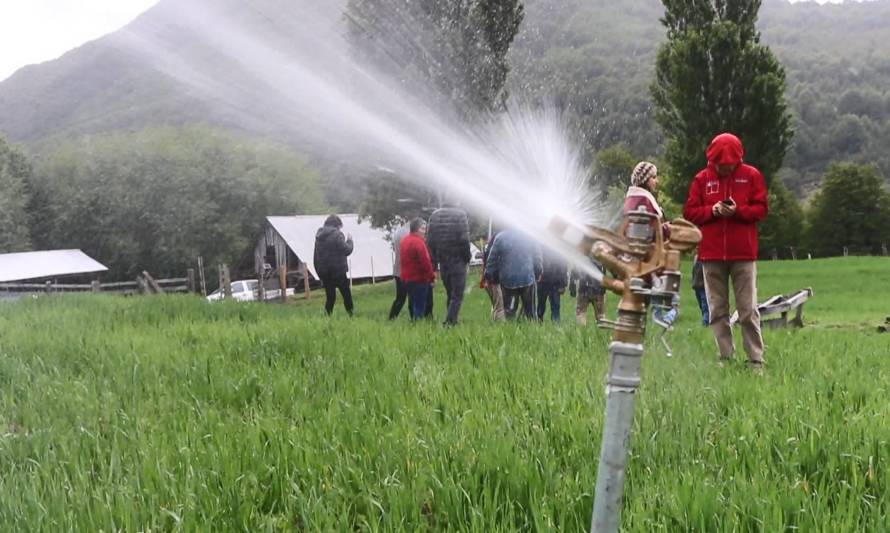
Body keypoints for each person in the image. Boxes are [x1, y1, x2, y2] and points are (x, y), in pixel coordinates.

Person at [683, 133, 768, 372]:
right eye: (721, 165)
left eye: (729, 165)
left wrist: (737, 212)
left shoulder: (751, 176)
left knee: (748, 308)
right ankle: (725, 357)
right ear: (713, 161)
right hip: (710, 255)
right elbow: (690, 212)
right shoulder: (701, 179)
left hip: (743, 254)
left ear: (738, 160)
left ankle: (755, 360)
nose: (725, 169)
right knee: (717, 309)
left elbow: (761, 209)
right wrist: (713, 211)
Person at [625, 161, 676, 328]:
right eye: (654, 177)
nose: (657, 181)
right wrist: (669, 228)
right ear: (646, 179)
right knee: (667, 300)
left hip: (635, 260)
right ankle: (662, 322)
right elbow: (655, 231)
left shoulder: (631, 199)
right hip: (651, 260)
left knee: (640, 301)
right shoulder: (645, 200)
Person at [426, 202, 471, 326]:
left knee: (450, 293)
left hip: (443, 261)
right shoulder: (460, 215)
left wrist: (434, 264)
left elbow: (430, 241)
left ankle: (452, 319)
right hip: (458, 260)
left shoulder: (434, 216)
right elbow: (464, 240)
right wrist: (467, 258)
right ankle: (450, 322)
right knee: (457, 294)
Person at [484, 229, 542, 320]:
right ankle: (532, 330)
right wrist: (538, 273)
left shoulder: (500, 237)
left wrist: (488, 275)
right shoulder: (530, 236)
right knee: (530, 312)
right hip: (527, 279)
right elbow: (537, 257)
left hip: (508, 280)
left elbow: (492, 259)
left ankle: (510, 332)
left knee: (510, 311)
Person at [313, 214, 354, 316]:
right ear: (337, 225)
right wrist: (350, 240)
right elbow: (347, 250)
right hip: (338, 271)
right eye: (340, 226)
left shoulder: (319, 236)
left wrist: (319, 272)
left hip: (325, 272)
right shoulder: (337, 234)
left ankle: (327, 318)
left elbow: (316, 256)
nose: (340, 228)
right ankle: (351, 316)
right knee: (346, 295)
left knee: (330, 297)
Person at [399, 217, 436, 320]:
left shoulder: (404, 240)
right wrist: (432, 277)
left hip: (406, 278)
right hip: (419, 279)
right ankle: (418, 326)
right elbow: (426, 262)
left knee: (413, 302)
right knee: (420, 306)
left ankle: (414, 322)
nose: (425, 231)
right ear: (416, 229)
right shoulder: (419, 242)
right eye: (423, 229)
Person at [570, 258, 606, 325]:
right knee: (600, 314)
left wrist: (572, 286)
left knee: (581, 312)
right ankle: (602, 331)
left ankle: (581, 332)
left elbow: (575, 272)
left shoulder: (581, 256)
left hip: (584, 289)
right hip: (598, 290)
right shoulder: (600, 255)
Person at [480, 229, 506, 321]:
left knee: (496, 305)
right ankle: (500, 328)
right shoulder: (498, 241)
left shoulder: (494, 241)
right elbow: (491, 263)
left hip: (490, 278)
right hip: (494, 279)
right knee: (500, 307)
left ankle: (495, 323)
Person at [537, 249, 568, 321]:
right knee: (541, 306)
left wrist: (563, 284)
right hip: (543, 283)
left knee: (555, 307)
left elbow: (564, 267)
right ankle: (538, 323)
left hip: (554, 284)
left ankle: (555, 325)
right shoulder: (541, 248)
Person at [388, 222, 410, 320]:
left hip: (397, 269)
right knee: (409, 297)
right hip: (406, 270)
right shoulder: (408, 233)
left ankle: (392, 317)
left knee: (400, 298)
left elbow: (394, 249)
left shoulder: (398, 231)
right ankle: (415, 318)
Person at [691, 254, 710, 326]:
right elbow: (694, 272)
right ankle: (706, 318)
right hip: (697, 285)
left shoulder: (707, 259)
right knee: (701, 305)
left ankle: (706, 322)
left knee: (705, 304)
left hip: (704, 286)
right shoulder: (696, 257)